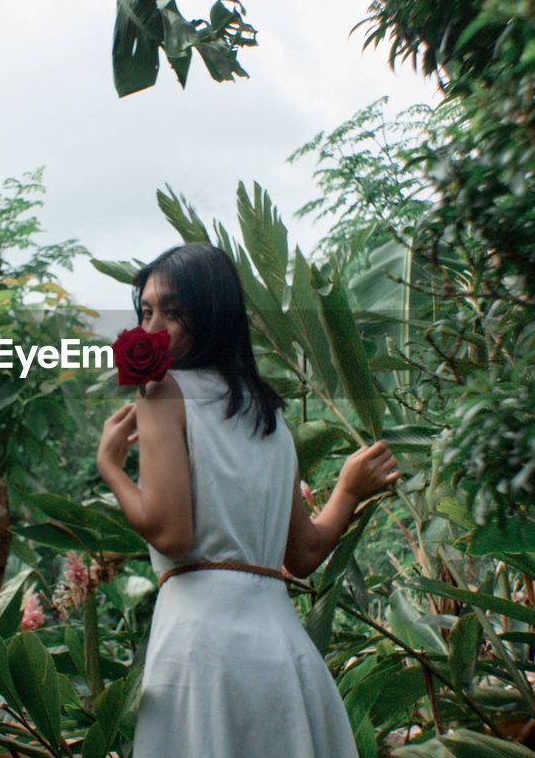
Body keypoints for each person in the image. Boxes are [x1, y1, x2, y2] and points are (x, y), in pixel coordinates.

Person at [96, 243, 402, 757]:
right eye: (146, 311)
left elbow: (171, 534)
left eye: (173, 312)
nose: (152, 328)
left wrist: (110, 465)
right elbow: (301, 557)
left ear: (211, 317)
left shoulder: (161, 392)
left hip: (201, 647)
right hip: (280, 649)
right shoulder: (266, 412)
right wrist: (347, 489)